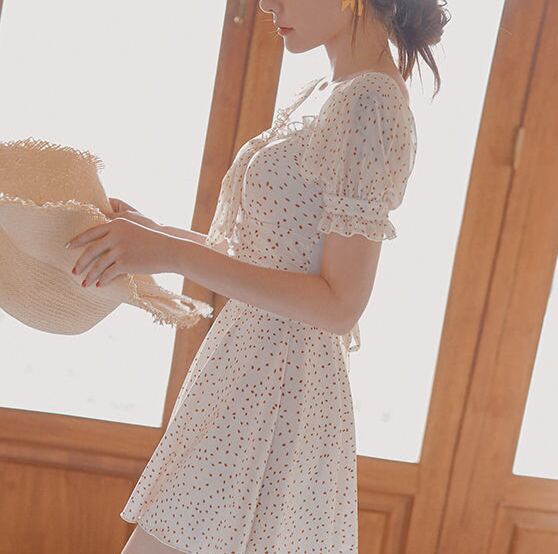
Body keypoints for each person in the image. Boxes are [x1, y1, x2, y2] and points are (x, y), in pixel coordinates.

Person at [66, 0, 448, 551]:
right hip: (246, 367)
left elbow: (340, 304)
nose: (268, 4)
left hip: (278, 385)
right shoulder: (328, 91)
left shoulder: (372, 103)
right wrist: (158, 235)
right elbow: (270, 257)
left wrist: (172, 254)